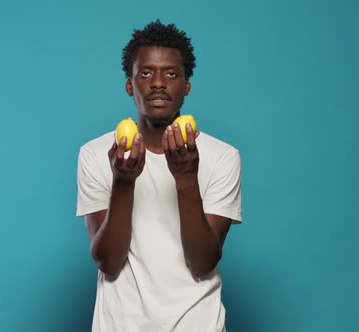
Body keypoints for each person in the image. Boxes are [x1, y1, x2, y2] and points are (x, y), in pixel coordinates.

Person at [76, 20, 242, 332]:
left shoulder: (222, 157)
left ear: (186, 86)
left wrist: (186, 179)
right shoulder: (96, 154)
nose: (158, 83)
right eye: (145, 73)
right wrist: (123, 182)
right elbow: (108, 262)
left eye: (171, 73)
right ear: (130, 85)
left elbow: (204, 261)